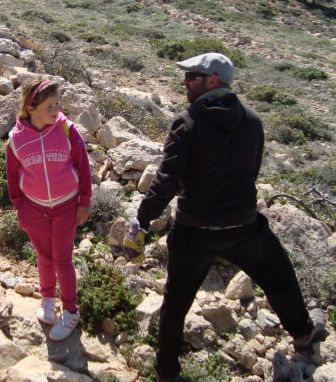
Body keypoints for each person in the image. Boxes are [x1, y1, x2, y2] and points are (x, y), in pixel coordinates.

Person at [123, 53, 324, 382]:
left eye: (191, 77)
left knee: (176, 303)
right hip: (242, 226)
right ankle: (303, 334)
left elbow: (168, 181)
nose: (185, 82)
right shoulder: (254, 122)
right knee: (279, 275)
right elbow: (251, 172)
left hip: (194, 229)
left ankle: (166, 373)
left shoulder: (187, 121)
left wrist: (142, 221)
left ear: (212, 81)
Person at [6, 79, 92, 341]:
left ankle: (70, 310)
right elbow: (12, 175)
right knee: (44, 256)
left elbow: (84, 165)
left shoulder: (67, 130)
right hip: (34, 208)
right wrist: (20, 207)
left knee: (62, 259)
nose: (56, 110)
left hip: (66, 206)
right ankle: (46, 298)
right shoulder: (16, 139)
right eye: (49, 106)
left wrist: (85, 200)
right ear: (31, 108)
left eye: (57, 104)